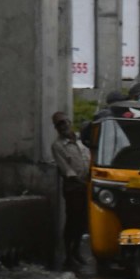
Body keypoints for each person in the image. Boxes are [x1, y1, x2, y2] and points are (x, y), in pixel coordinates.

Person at [50, 112, 90, 267]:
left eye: (64, 122)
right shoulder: (58, 146)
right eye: (59, 125)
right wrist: (80, 181)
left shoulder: (81, 140)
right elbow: (66, 170)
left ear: (69, 122)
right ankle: (68, 254)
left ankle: (76, 250)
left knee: (83, 221)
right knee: (72, 220)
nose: (63, 126)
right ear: (56, 128)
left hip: (87, 184)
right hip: (73, 187)